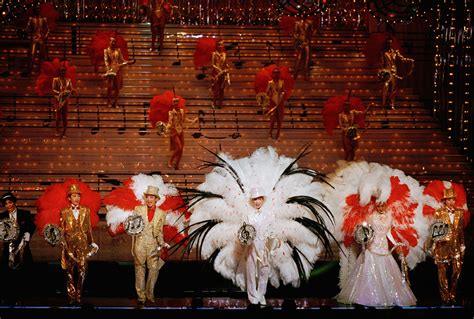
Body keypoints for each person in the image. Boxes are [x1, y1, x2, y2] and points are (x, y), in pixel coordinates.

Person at [337, 202, 416, 306]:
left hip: (384, 247)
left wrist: (395, 243)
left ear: (386, 205)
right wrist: (365, 241)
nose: (380, 208)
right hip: (372, 247)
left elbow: (388, 232)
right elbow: (368, 231)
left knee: (388, 271)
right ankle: (366, 297)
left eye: (382, 205)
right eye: (378, 206)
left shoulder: (389, 217)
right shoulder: (371, 216)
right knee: (368, 270)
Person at [60, 184, 98, 304]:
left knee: (82, 269)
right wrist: (64, 246)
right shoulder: (64, 212)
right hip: (69, 244)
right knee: (69, 270)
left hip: (82, 244)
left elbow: (89, 229)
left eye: (78, 196)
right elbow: (62, 230)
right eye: (74, 196)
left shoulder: (86, 210)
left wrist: (92, 243)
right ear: (69, 198)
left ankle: (79, 294)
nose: (76, 198)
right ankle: (71, 295)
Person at [242, 187, 278, 307]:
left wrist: (271, 242)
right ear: (252, 201)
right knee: (251, 271)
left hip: (264, 246)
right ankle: (252, 297)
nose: (257, 201)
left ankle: (261, 294)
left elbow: (272, 230)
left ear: (263, 199)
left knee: (264, 271)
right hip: (251, 247)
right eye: (254, 199)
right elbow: (244, 232)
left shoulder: (269, 215)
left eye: (259, 199)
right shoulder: (248, 215)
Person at [428, 188, 465, 304]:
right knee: (442, 273)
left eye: (453, 199)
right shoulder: (439, 212)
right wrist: (433, 245)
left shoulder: (460, 213)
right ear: (445, 201)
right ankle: (445, 297)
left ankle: (452, 293)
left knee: (457, 270)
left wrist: (463, 243)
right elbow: (435, 229)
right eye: (449, 199)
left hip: (456, 246)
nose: (451, 201)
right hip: (442, 246)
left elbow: (461, 230)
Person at [131, 185, 167, 306]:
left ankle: (149, 293)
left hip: (153, 245)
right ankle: (141, 296)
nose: (150, 199)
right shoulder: (138, 209)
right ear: (145, 198)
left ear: (156, 199)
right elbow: (133, 228)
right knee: (139, 271)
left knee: (153, 270)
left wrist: (162, 243)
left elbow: (160, 232)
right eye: (148, 196)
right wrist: (133, 246)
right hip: (140, 243)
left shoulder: (161, 213)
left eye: (152, 197)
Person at [0, 192, 35, 305]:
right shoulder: (2, 216)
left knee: (21, 272)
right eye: (5, 204)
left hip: (22, 247)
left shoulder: (25, 214)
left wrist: (28, 233)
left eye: (10, 202)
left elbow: (31, 225)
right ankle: (8, 296)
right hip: (8, 248)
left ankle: (20, 297)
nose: (8, 205)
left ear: (14, 202)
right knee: (7, 272)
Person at [381, 37, 414, 110]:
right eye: (388, 42)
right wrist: (382, 72)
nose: (390, 44)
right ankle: (383, 104)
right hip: (387, 71)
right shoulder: (384, 52)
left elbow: (402, 59)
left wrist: (409, 60)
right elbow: (383, 63)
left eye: (391, 42)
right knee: (385, 87)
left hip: (394, 71)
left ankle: (392, 104)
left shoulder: (395, 52)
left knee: (393, 88)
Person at [164, 97, 196, 170]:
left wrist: (192, 120)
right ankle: (171, 161)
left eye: (177, 102)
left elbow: (185, 119)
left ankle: (177, 164)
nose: (176, 103)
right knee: (179, 147)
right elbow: (170, 123)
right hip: (174, 131)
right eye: (174, 102)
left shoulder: (181, 111)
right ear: (172, 103)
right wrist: (165, 128)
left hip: (181, 131)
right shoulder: (171, 113)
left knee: (181, 149)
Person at [104, 37, 132, 108]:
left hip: (118, 69)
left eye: (114, 42)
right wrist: (108, 69)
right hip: (111, 70)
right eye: (112, 41)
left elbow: (122, 60)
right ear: (109, 42)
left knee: (117, 87)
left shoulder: (118, 50)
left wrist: (128, 62)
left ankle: (116, 102)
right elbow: (106, 61)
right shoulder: (106, 50)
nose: (113, 43)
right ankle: (109, 102)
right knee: (110, 86)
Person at [25, 6, 49, 74]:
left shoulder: (43, 19)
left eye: (38, 9)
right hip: (34, 38)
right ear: (34, 11)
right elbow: (27, 28)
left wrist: (45, 36)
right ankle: (29, 71)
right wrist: (29, 31)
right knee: (32, 55)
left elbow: (48, 29)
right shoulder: (31, 19)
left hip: (41, 38)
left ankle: (43, 71)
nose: (38, 11)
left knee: (42, 55)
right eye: (36, 9)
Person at [52, 66, 74, 137]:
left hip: (65, 100)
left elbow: (71, 89)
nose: (63, 72)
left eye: (64, 71)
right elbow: (53, 89)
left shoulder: (68, 80)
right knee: (58, 116)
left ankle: (64, 131)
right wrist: (60, 93)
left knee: (65, 116)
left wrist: (71, 91)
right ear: (59, 71)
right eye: (61, 71)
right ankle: (57, 130)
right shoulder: (55, 79)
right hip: (57, 99)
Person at [265, 68, 286, 140]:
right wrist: (271, 94)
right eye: (275, 73)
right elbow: (267, 92)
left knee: (280, 119)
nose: (276, 74)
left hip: (280, 102)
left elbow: (283, 91)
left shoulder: (282, 82)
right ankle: (270, 133)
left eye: (277, 73)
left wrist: (282, 94)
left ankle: (278, 134)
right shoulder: (270, 83)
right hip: (273, 102)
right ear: (272, 74)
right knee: (272, 119)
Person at [211, 40, 230, 109]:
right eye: (219, 45)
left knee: (222, 89)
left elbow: (226, 63)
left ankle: (220, 104)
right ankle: (214, 103)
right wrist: (219, 70)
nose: (220, 46)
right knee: (216, 89)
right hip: (216, 73)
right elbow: (212, 64)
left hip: (223, 73)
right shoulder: (214, 54)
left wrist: (227, 67)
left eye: (221, 45)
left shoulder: (224, 54)